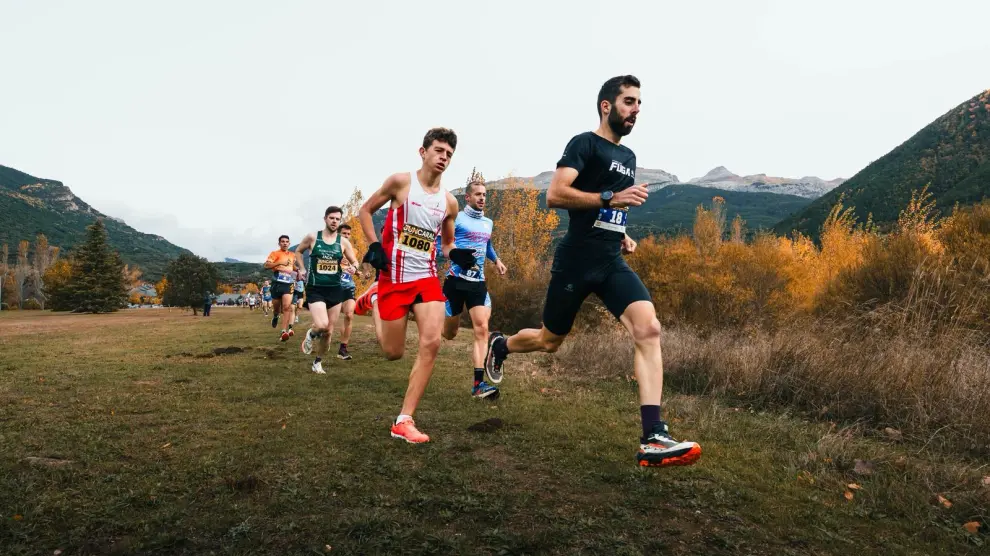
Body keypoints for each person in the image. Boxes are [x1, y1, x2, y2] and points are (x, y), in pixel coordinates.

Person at [484, 75, 701, 468]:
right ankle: (501, 346)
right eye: (629, 102)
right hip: (576, 261)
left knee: (649, 329)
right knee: (550, 341)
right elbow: (555, 195)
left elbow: (608, 212)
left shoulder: (630, 158)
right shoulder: (583, 143)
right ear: (607, 105)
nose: (636, 109)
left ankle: (653, 436)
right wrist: (609, 197)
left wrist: (622, 232)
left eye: (639, 103)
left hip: (610, 261)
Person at [359, 127, 475, 444]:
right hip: (393, 277)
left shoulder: (449, 203)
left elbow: (447, 245)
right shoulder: (401, 183)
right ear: (422, 152)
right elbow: (365, 210)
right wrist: (374, 246)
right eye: (438, 150)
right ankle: (375, 303)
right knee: (393, 353)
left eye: (449, 154)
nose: (444, 157)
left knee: (432, 343)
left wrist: (458, 254)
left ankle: (404, 420)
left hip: (424, 278)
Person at [440, 177, 507, 399]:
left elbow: (487, 243)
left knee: (481, 328)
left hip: (477, 282)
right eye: (478, 194)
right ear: (467, 197)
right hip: (455, 283)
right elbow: (442, 245)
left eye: (485, 195)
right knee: (449, 333)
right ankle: (433, 320)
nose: (482, 198)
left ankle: (478, 384)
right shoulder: (456, 219)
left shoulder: (488, 222)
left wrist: (496, 260)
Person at [295, 206, 360, 374]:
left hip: (335, 289)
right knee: (322, 325)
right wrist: (302, 269)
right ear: (325, 218)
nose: (334, 221)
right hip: (316, 289)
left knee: (329, 333)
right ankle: (310, 334)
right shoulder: (313, 237)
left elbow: (355, 261)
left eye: (338, 219)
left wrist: (354, 267)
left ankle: (317, 362)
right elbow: (298, 252)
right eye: (332, 218)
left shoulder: (343, 242)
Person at [264, 235, 298, 342]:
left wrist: (299, 271)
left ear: (289, 243)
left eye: (287, 241)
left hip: (288, 283)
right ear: (279, 243)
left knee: (287, 307)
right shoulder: (274, 253)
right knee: (276, 306)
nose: (285, 243)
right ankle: (275, 316)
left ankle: (284, 331)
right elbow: (266, 265)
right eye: (282, 241)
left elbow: (293, 267)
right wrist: (279, 262)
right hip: (277, 283)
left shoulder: (293, 255)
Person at [335, 224, 358, 360]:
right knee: (326, 323)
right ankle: (315, 334)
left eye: (348, 234)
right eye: (344, 234)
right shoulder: (332, 249)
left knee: (349, 315)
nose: (347, 236)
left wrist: (357, 271)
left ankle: (343, 349)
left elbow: (353, 266)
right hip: (333, 286)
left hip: (349, 286)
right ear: (338, 235)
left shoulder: (352, 250)